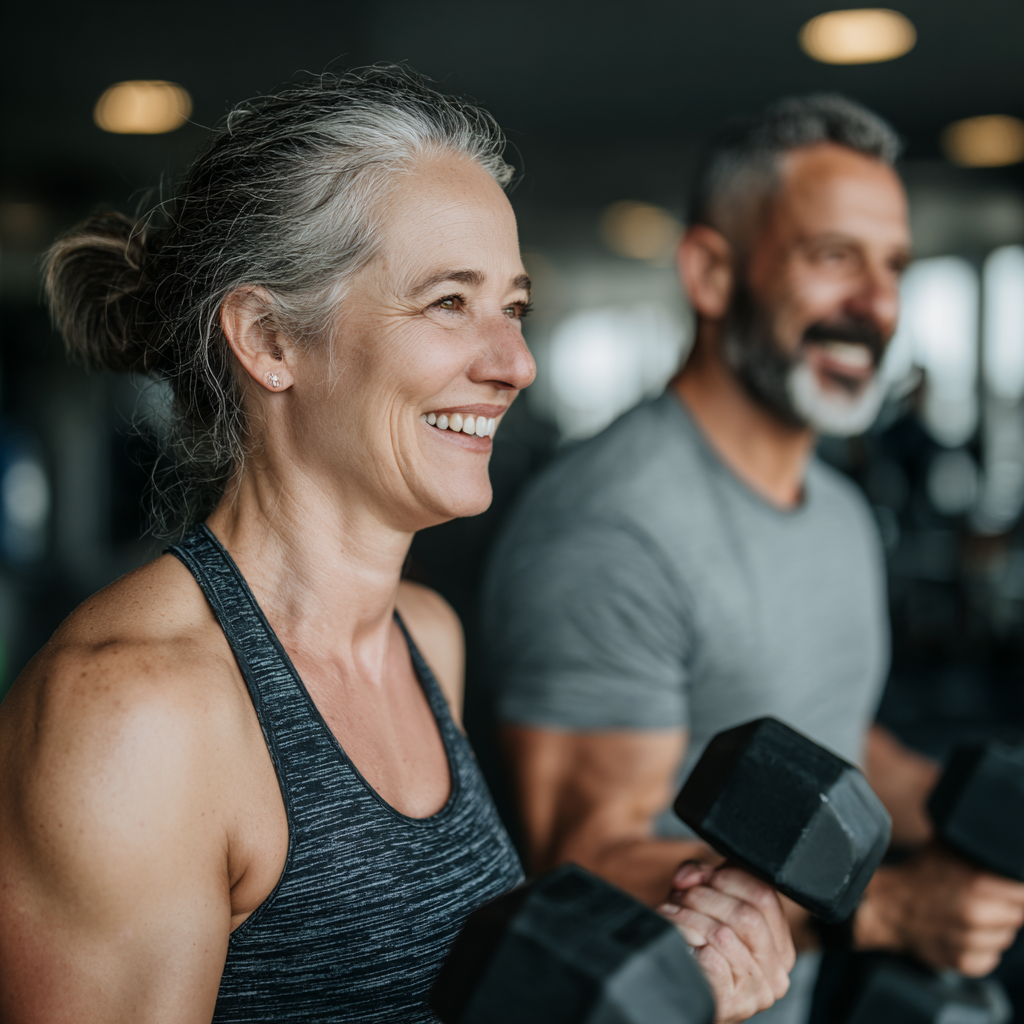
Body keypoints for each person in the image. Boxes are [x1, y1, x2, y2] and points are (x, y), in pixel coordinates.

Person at [0, 69, 793, 1024]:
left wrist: (669, 967)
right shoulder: (135, 715)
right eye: (449, 303)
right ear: (268, 339)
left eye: (514, 306)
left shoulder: (425, 639)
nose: (515, 364)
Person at [483, 94, 1024, 1023]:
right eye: (833, 258)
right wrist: (889, 908)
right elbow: (584, 862)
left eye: (893, 265)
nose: (878, 304)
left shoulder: (840, 513)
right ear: (711, 271)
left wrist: (956, 802)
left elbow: (839, 742)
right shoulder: (613, 525)